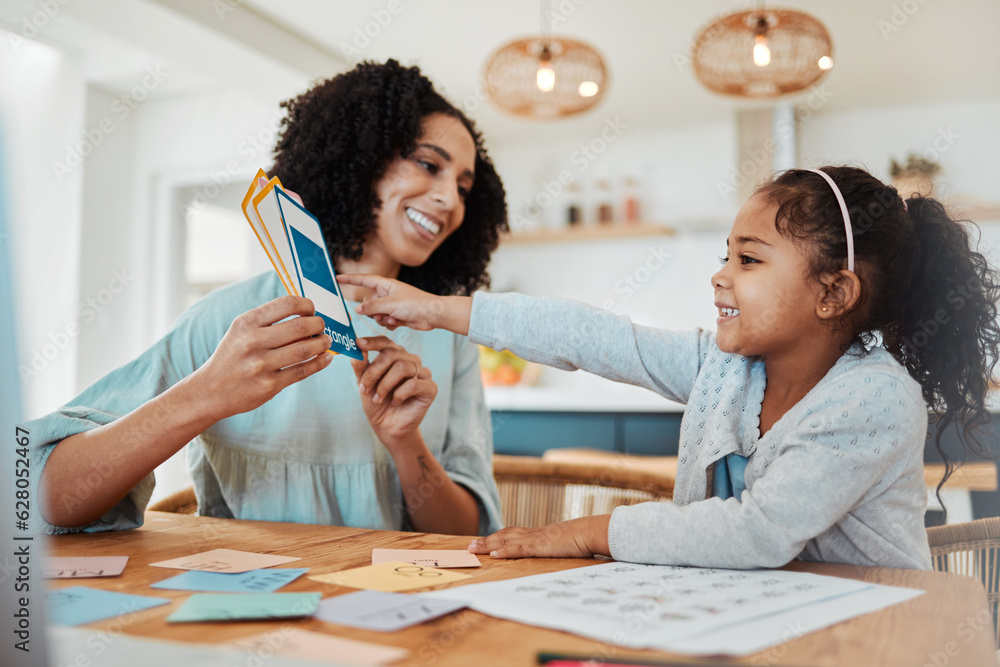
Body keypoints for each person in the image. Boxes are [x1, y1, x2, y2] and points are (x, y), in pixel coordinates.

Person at [338, 165, 1000, 570]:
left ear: (834, 293)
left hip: (877, 634)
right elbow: (593, 336)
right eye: (726, 255)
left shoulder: (875, 400)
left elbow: (756, 531)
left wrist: (584, 533)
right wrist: (439, 310)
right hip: (762, 616)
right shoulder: (724, 366)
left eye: (749, 259)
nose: (720, 276)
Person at [31, 59, 508, 537]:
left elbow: (469, 533)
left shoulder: (450, 340)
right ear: (361, 157)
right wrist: (205, 395)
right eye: (429, 165)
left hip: (397, 603)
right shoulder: (228, 322)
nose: (450, 200)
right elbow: (43, 494)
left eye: (464, 188)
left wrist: (406, 445)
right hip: (246, 604)